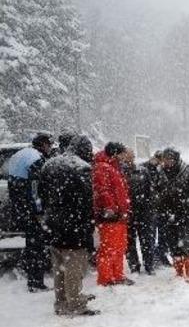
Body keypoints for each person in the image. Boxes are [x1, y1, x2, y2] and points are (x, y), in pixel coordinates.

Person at [39, 135, 99, 316]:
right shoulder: (82, 167)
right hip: (74, 225)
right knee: (74, 265)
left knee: (59, 266)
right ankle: (75, 302)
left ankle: (61, 302)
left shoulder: (49, 164)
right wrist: (89, 225)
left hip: (53, 224)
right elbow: (86, 202)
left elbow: (41, 194)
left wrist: (50, 214)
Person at [7, 133, 53, 292]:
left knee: (31, 244)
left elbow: (13, 184)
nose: (50, 148)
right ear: (43, 144)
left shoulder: (19, 155)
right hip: (31, 211)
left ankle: (30, 275)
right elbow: (34, 189)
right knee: (37, 246)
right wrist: (39, 210)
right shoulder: (36, 159)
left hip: (20, 209)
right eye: (49, 145)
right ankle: (36, 282)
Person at [158, 147, 189, 283]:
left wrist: (187, 203)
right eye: (165, 159)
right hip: (166, 213)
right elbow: (155, 189)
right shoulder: (160, 171)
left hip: (184, 214)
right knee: (172, 244)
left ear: (176, 159)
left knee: (185, 242)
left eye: (170, 159)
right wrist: (158, 202)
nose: (167, 162)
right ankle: (178, 272)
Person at [93, 142, 134, 287]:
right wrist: (112, 209)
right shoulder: (102, 167)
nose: (124, 157)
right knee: (109, 248)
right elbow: (102, 191)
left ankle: (117, 275)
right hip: (110, 216)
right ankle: (106, 278)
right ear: (116, 153)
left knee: (119, 247)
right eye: (122, 154)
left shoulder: (113, 166)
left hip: (119, 214)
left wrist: (123, 209)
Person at [123, 150, 158, 274]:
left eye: (131, 156)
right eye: (127, 156)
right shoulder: (119, 171)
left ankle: (149, 265)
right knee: (129, 242)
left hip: (144, 212)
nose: (129, 159)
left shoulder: (143, 171)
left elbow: (150, 191)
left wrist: (150, 207)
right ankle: (134, 266)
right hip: (128, 212)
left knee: (147, 240)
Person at [145, 150, 171, 268]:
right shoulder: (148, 168)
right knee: (152, 235)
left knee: (163, 234)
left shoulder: (165, 170)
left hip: (163, 207)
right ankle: (153, 258)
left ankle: (161, 255)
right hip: (153, 207)